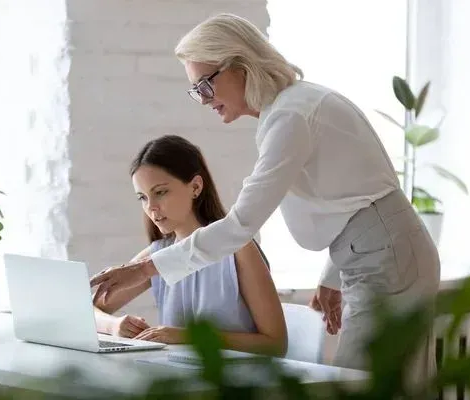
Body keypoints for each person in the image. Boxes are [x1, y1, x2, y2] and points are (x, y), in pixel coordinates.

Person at [91, 13, 440, 377]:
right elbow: (354, 200)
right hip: (378, 251)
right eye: (195, 91)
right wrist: (332, 274)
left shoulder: (291, 116)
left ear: (240, 66)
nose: (203, 100)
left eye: (205, 86)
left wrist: (145, 268)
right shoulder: (290, 110)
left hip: (387, 256)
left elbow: (240, 225)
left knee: (367, 385)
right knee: (387, 383)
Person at [92, 134, 288, 357]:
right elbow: (88, 309)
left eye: (160, 192)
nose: (151, 208)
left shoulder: (239, 249)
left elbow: (275, 345)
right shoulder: (157, 255)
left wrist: (186, 336)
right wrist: (114, 326)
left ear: (195, 187)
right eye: (143, 198)